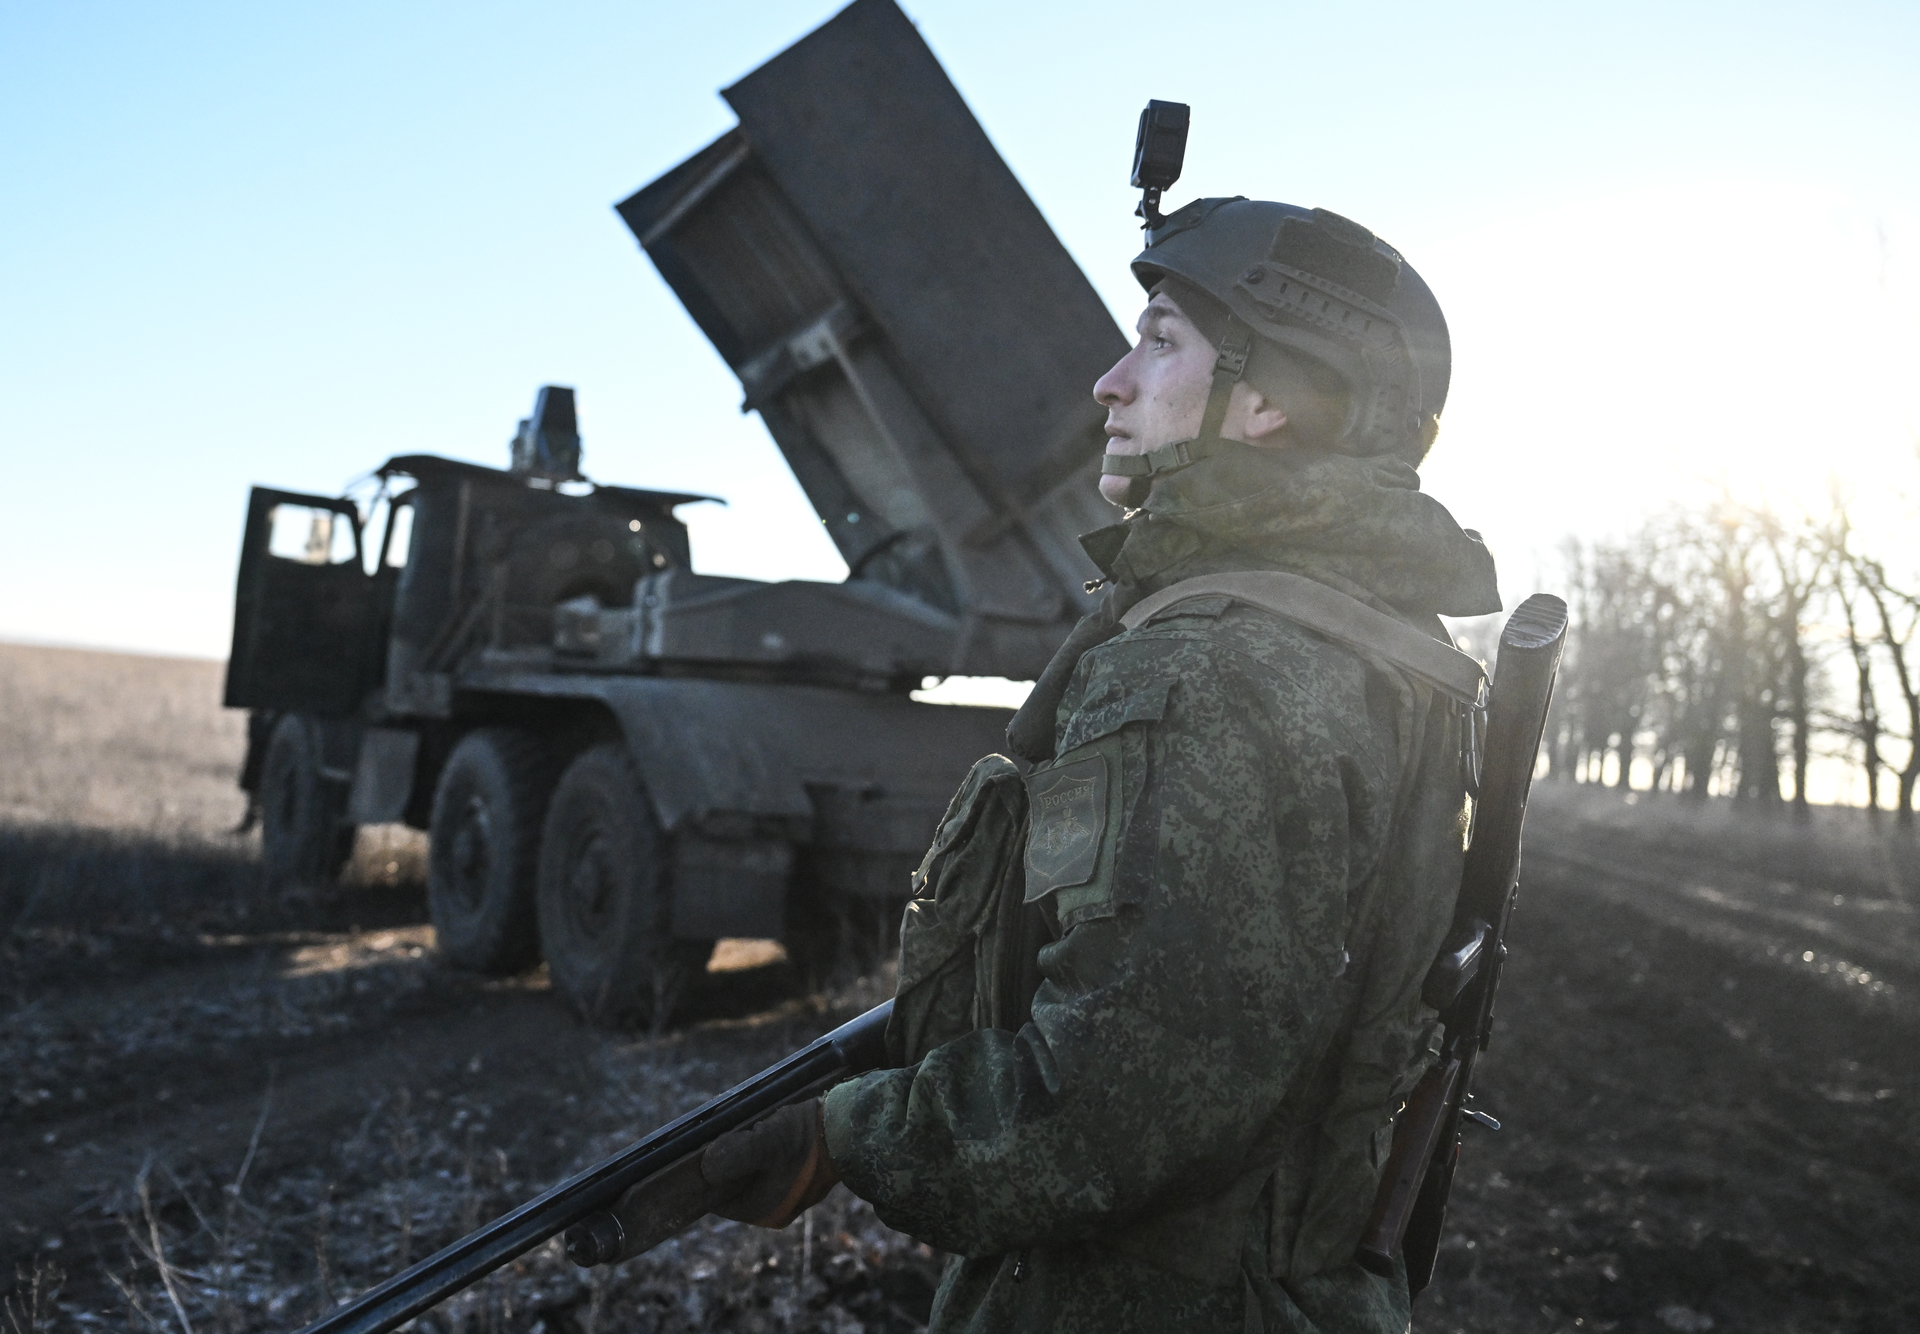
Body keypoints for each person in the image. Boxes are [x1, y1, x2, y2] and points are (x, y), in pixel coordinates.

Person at [699, 198, 1503, 1333]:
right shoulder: (1365, 637)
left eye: (1161, 342)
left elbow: (1116, 1098)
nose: (1109, 383)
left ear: (1270, 401)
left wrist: (843, 1136)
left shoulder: (1217, 667)